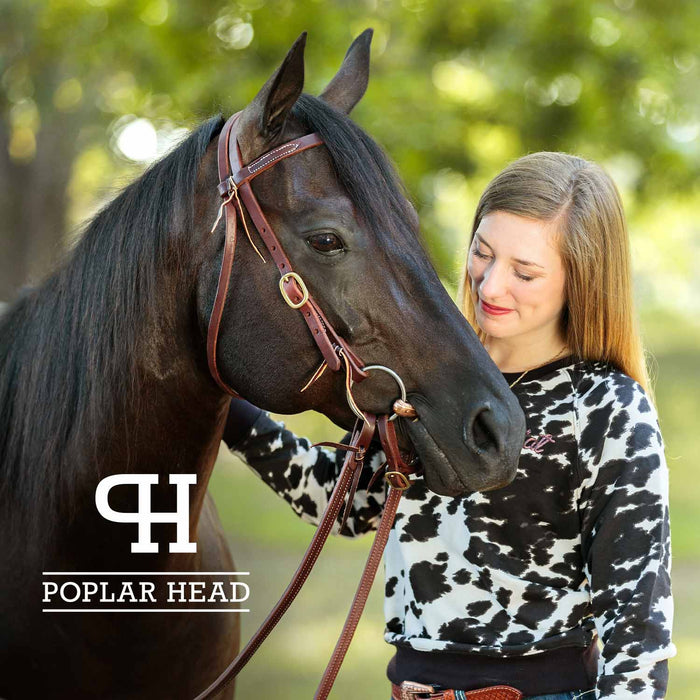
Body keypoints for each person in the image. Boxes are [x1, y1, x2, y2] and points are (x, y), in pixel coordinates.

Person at [222, 152, 675, 699]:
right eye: (482, 253)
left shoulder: (606, 406)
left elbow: (638, 627)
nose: (489, 286)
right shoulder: (426, 374)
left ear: (581, 280)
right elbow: (338, 501)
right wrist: (223, 406)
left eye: (524, 272)